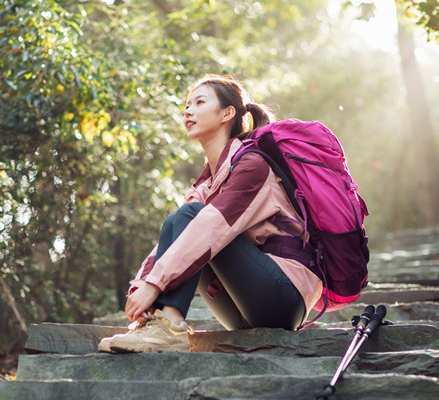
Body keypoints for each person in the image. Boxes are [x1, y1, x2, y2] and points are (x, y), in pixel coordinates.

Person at [99, 74, 323, 353]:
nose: (188, 110)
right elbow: (176, 241)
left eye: (199, 102)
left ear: (227, 113)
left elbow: (210, 227)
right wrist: (143, 286)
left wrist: (156, 286)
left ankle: (171, 327)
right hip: (242, 308)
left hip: (284, 296)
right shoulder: (208, 183)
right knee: (183, 221)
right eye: (186, 105)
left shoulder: (251, 165)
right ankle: (158, 324)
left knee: (193, 219)